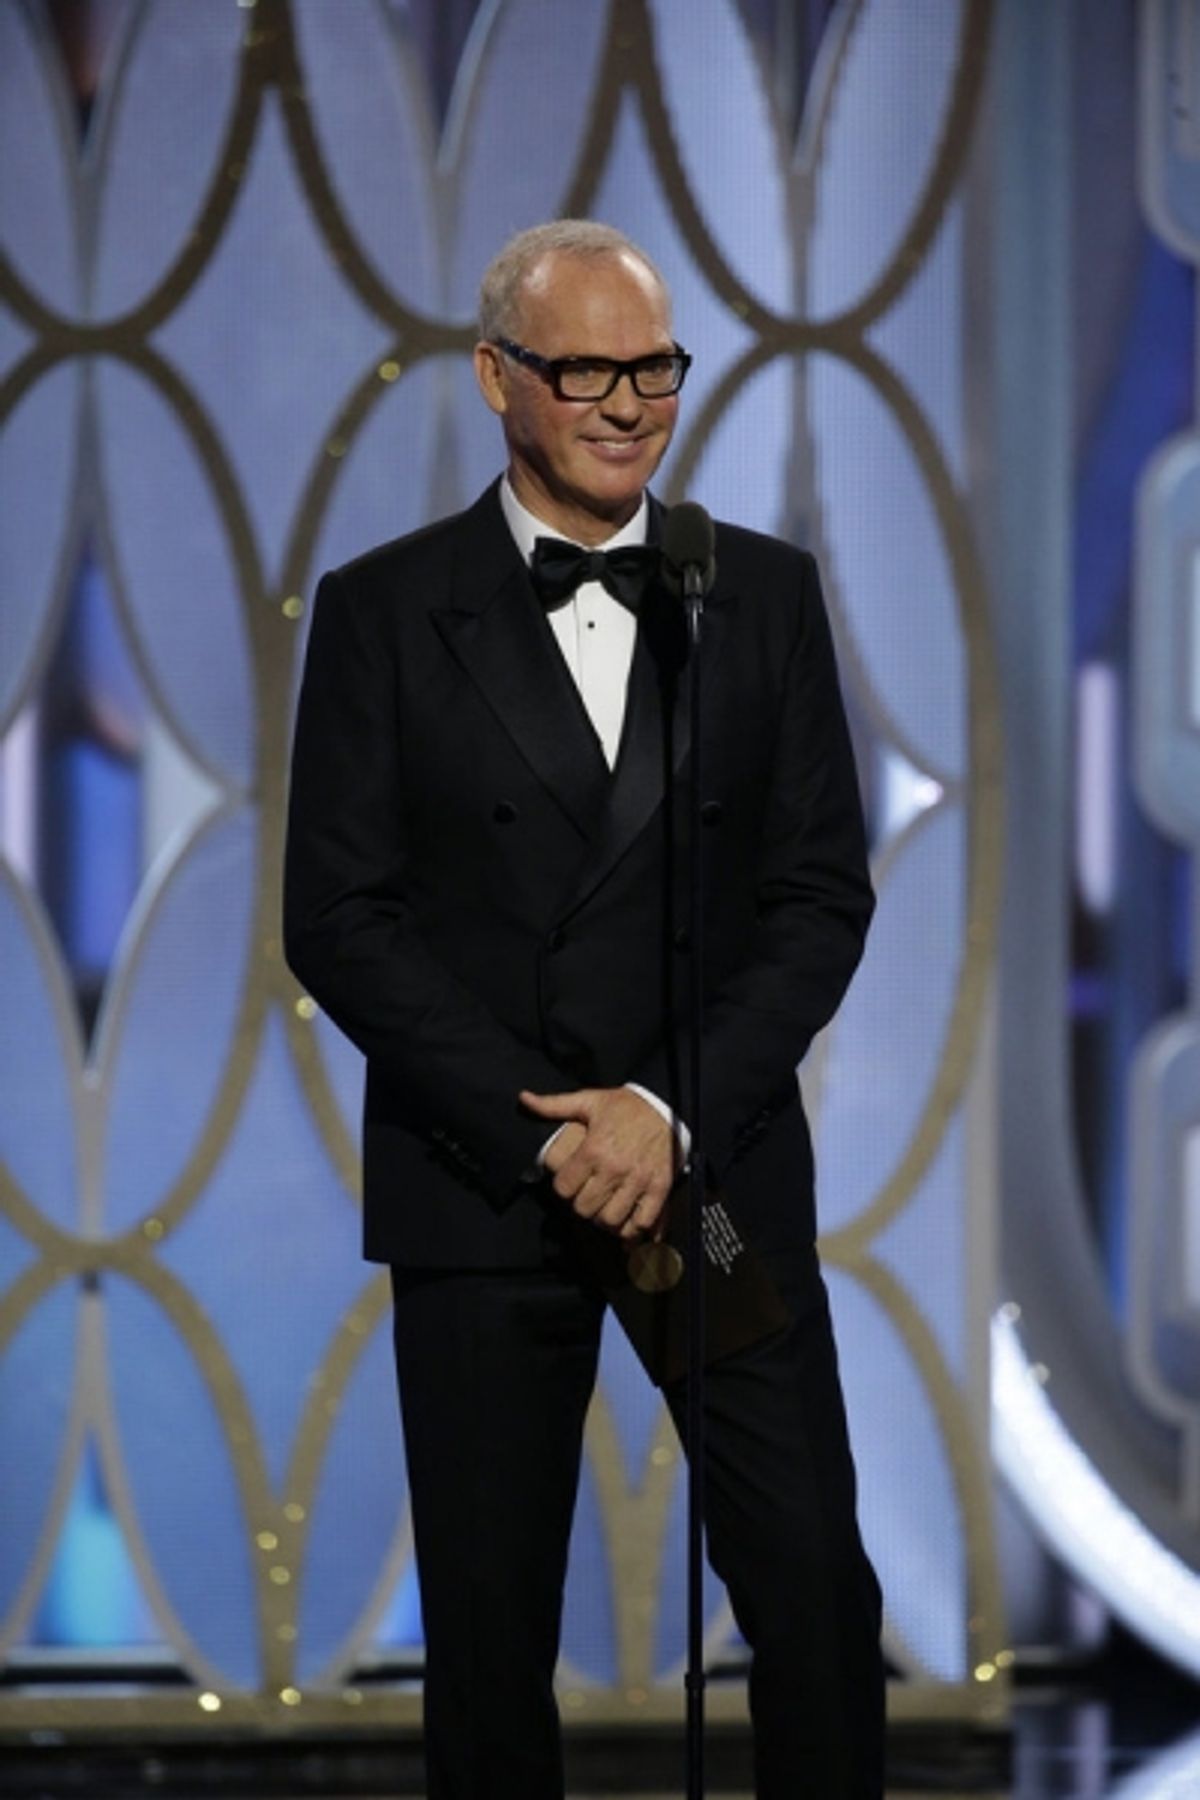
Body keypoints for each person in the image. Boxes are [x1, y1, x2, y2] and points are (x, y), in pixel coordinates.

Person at [284, 219, 884, 1799]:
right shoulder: (383, 610)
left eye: (657, 370)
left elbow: (821, 897)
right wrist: (544, 1130)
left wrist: (664, 1115)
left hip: (706, 1176)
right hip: (493, 1181)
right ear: (498, 378)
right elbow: (338, 918)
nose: (630, 404)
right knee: (488, 1641)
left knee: (815, 1586)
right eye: (588, 370)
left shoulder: (756, 595)